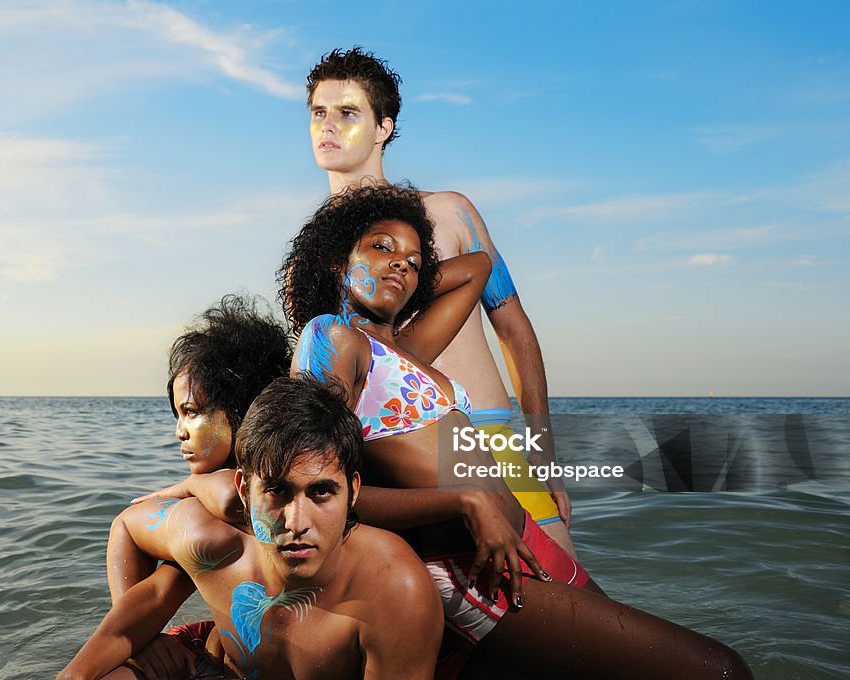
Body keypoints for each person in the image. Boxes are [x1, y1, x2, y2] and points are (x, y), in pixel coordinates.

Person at [283, 184, 752, 679]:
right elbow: (316, 492)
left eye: (415, 261)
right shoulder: (332, 339)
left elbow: (477, 266)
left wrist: (398, 275)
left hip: (520, 537)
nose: (401, 262)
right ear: (339, 261)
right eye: (381, 246)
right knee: (719, 668)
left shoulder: (404, 348)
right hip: (467, 563)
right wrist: (466, 502)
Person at [306, 47, 577, 557]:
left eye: (348, 113)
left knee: (570, 596)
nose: (329, 126)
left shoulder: (449, 215)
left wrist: (544, 454)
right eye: (319, 113)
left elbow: (515, 330)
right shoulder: (314, 262)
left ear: (384, 126)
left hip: (488, 440)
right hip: (394, 461)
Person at [59, 376, 443, 680]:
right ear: (244, 490)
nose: (296, 523)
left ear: (353, 492)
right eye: (276, 491)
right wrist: (140, 646)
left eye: (322, 492)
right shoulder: (215, 545)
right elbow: (127, 526)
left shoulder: (393, 589)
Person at [105, 294, 292, 677]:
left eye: (190, 412)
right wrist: (143, 640)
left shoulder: (274, 480)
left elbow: (230, 498)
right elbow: (162, 580)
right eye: (177, 415)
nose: (179, 431)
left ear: (241, 409)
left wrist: (190, 484)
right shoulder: (208, 512)